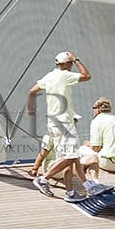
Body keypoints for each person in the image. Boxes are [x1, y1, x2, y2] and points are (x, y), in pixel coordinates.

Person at [27, 50, 90, 188]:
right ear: (67, 64)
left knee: (67, 156)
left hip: (53, 122)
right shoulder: (65, 76)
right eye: (71, 63)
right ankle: (43, 179)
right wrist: (77, 59)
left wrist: (30, 108)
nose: (72, 65)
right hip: (64, 121)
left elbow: (32, 91)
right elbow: (87, 76)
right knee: (71, 156)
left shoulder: (49, 76)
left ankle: (72, 191)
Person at [81, 97, 115, 179]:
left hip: (109, 163)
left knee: (82, 149)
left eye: (94, 108)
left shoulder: (97, 121)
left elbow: (96, 148)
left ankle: (78, 171)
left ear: (98, 110)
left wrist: (89, 145)